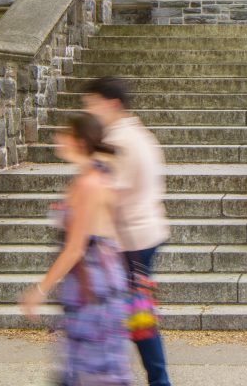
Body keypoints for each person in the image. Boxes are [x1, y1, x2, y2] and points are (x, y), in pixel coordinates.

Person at [19, 111, 131, 386]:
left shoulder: (90, 183)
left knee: (95, 374)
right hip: (89, 286)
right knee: (85, 372)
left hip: (94, 289)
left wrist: (39, 290)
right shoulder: (89, 177)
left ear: (80, 142)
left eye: (65, 134)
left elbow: (74, 248)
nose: (58, 138)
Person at [83, 76, 171, 386]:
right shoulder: (141, 135)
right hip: (145, 234)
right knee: (136, 315)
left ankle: (153, 379)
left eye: (92, 103)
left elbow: (107, 197)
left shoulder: (117, 141)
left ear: (112, 104)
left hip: (127, 240)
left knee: (131, 318)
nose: (89, 111)